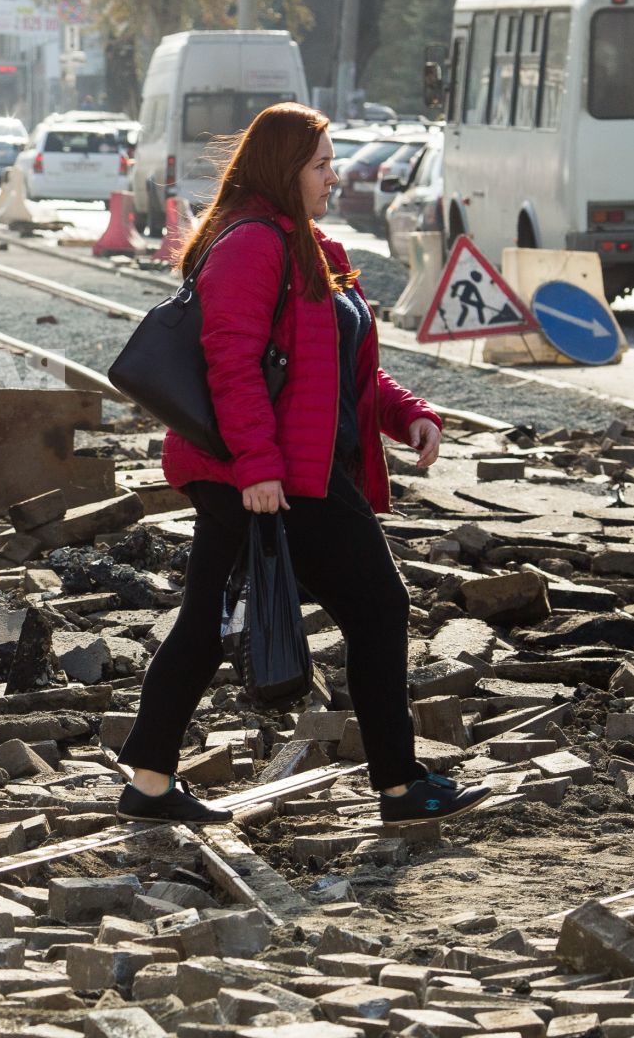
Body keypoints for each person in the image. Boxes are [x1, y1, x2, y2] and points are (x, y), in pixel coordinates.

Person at [115, 102, 491, 827]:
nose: (334, 176)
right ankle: (400, 788)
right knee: (379, 609)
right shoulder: (253, 244)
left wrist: (406, 412)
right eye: (321, 164)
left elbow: (337, 367)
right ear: (283, 169)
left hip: (278, 469)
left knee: (204, 618)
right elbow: (231, 361)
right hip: (279, 476)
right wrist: (259, 467)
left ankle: (150, 782)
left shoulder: (312, 248)